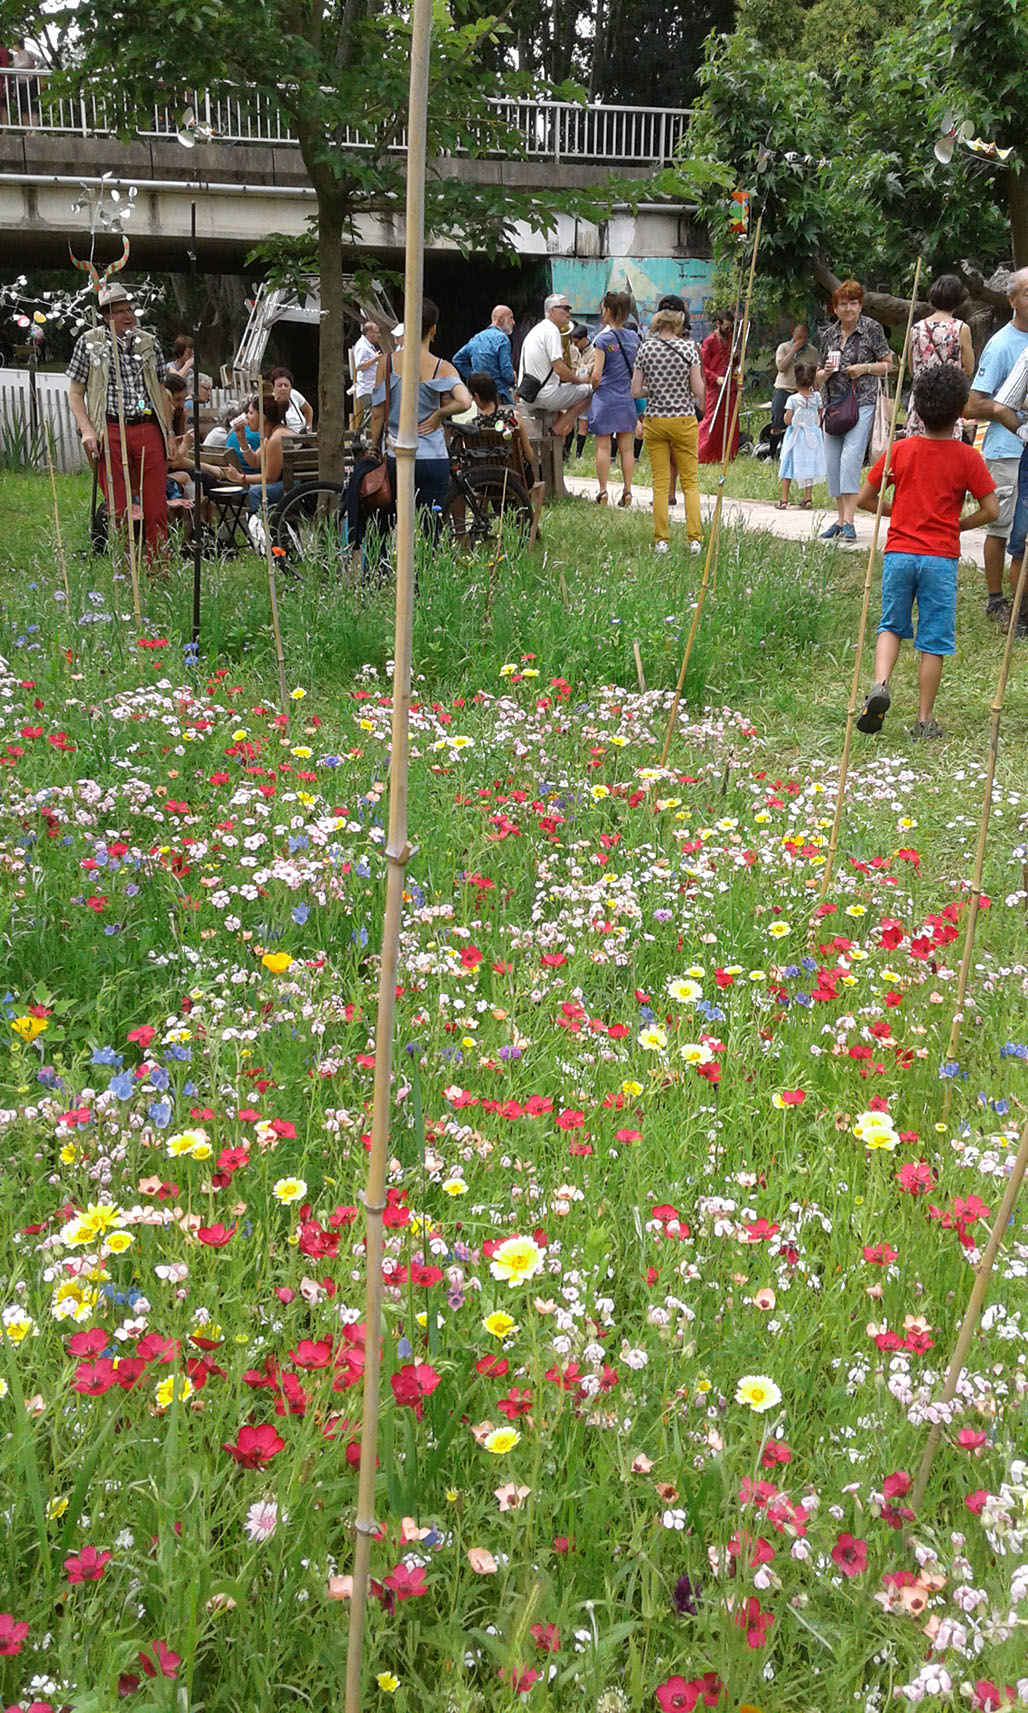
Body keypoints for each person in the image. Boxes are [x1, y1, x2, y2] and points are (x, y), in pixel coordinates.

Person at [854, 365, 997, 741]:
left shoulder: (900, 450)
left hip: (900, 553)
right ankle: (924, 719)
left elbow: (865, 499)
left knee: (891, 625)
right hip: (940, 558)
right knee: (933, 640)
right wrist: (959, 524)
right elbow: (992, 510)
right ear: (961, 411)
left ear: (915, 408)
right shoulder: (968, 458)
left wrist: (896, 511)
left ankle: (881, 684)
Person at [66, 281, 171, 557]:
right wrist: (87, 430)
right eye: (119, 311)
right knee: (119, 509)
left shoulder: (148, 343)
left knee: (156, 508)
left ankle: (158, 568)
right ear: (105, 316)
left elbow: (160, 389)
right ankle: (126, 573)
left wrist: (169, 431)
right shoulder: (90, 343)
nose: (128, 316)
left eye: (129, 309)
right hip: (110, 429)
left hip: (147, 426)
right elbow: (75, 393)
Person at [368, 295, 471, 528]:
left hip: (397, 455)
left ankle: (383, 565)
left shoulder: (387, 363)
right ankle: (428, 565)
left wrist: (373, 447)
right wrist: (438, 415)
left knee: (385, 525)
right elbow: (465, 401)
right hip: (433, 457)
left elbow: (377, 413)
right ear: (433, 330)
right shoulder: (441, 366)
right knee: (430, 529)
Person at [964, 267, 1028, 625]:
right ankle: (995, 599)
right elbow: (972, 405)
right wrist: (1011, 412)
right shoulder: (1002, 344)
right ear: (1012, 300)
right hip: (1007, 450)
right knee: (1002, 527)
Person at [816, 280, 891, 542]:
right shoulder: (828, 335)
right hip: (833, 405)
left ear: (861, 305)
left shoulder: (872, 329)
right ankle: (839, 519)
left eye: (854, 303)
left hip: (862, 401)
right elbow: (816, 378)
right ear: (834, 308)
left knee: (850, 459)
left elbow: (888, 365)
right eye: (843, 304)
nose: (849, 308)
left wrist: (864, 369)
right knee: (832, 462)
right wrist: (824, 372)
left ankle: (849, 521)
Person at [631, 305, 705, 555]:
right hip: (684, 419)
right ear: (678, 325)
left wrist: (654, 390)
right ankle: (695, 539)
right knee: (690, 482)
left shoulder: (646, 348)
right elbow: (698, 390)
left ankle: (661, 540)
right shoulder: (689, 349)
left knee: (660, 483)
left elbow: (635, 391)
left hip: (655, 421)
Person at [904, 275, 974, 437]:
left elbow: (912, 368)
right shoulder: (961, 328)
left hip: (922, 399)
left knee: (919, 448)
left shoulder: (915, 329)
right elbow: (969, 368)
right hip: (949, 399)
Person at [588, 290, 640, 506]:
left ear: (608, 311)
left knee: (603, 446)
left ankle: (603, 492)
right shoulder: (634, 338)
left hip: (606, 398)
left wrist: (592, 385)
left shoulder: (603, 340)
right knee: (626, 448)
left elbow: (597, 375)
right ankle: (627, 491)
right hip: (626, 398)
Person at [517, 293, 594, 437]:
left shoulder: (537, 330)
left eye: (569, 309)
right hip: (545, 395)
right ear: (551, 310)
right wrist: (579, 380)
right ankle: (555, 431)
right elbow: (559, 369)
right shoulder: (552, 330)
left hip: (529, 394)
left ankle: (558, 436)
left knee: (565, 401)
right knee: (591, 391)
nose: (568, 313)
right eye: (564, 308)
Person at [464, 371, 536, 485]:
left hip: (485, 483)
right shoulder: (514, 417)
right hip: (517, 480)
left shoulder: (471, 425)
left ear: (476, 397)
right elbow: (529, 455)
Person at [775, 362, 825, 509]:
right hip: (812, 435)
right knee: (808, 464)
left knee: (788, 464)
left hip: (795, 436)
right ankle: (808, 498)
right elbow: (819, 414)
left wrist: (787, 417)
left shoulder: (793, 399)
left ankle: (784, 499)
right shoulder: (816, 397)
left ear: (795, 381)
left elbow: (788, 420)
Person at [698, 308, 739, 464]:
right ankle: (703, 453)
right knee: (711, 420)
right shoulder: (709, 341)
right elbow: (703, 367)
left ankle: (727, 454)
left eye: (730, 328)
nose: (729, 331)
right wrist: (716, 379)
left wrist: (737, 358)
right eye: (726, 327)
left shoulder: (731, 340)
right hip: (715, 388)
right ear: (718, 324)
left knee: (730, 422)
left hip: (730, 386)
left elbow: (732, 362)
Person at [453, 306, 517, 406]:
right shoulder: (503, 338)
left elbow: (457, 359)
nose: (513, 322)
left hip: (480, 396)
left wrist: (474, 377)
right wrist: (513, 378)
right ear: (501, 319)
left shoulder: (476, 338)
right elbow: (506, 371)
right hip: (499, 394)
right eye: (511, 318)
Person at [770, 321, 817, 457]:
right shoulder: (783, 347)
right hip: (784, 388)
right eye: (799, 336)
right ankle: (771, 453)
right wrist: (794, 349)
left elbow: (814, 373)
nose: (801, 340)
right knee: (777, 422)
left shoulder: (812, 351)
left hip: (802, 391)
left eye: (804, 337)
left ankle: (796, 452)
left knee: (800, 424)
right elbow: (781, 367)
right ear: (793, 335)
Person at [351, 319, 381, 427]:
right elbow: (359, 366)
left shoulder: (367, 345)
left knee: (371, 414)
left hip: (372, 387)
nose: (379, 335)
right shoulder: (362, 346)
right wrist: (375, 359)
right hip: (367, 388)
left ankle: (362, 435)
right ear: (369, 333)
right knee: (373, 414)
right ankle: (360, 435)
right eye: (377, 332)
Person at [269, 366, 313, 433]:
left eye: (286, 385)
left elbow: (308, 410)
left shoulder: (294, 394)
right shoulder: (269, 402)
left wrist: (308, 427)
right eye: (279, 385)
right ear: (273, 387)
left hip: (302, 436)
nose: (283, 388)